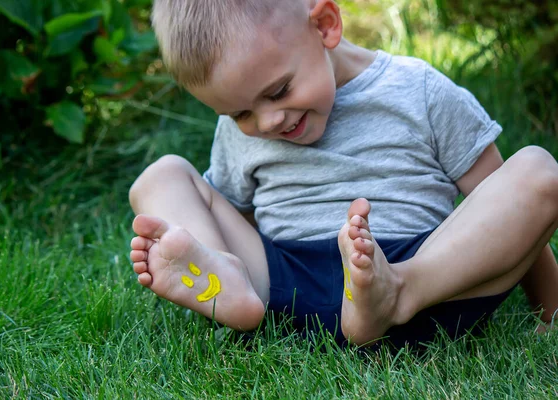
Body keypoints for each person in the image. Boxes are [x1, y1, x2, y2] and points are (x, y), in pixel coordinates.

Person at [128, 0, 558, 347]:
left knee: (537, 172)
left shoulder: (418, 91)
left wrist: (549, 308)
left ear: (326, 25)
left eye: (278, 91)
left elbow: (509, 211)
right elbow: (234, 216)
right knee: (161, 175)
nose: (268, 122)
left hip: (427, 280)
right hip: (285, 288)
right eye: (240, 112)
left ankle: (395, 293)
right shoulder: (242, 129)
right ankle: (228, 284)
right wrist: (225, 252)